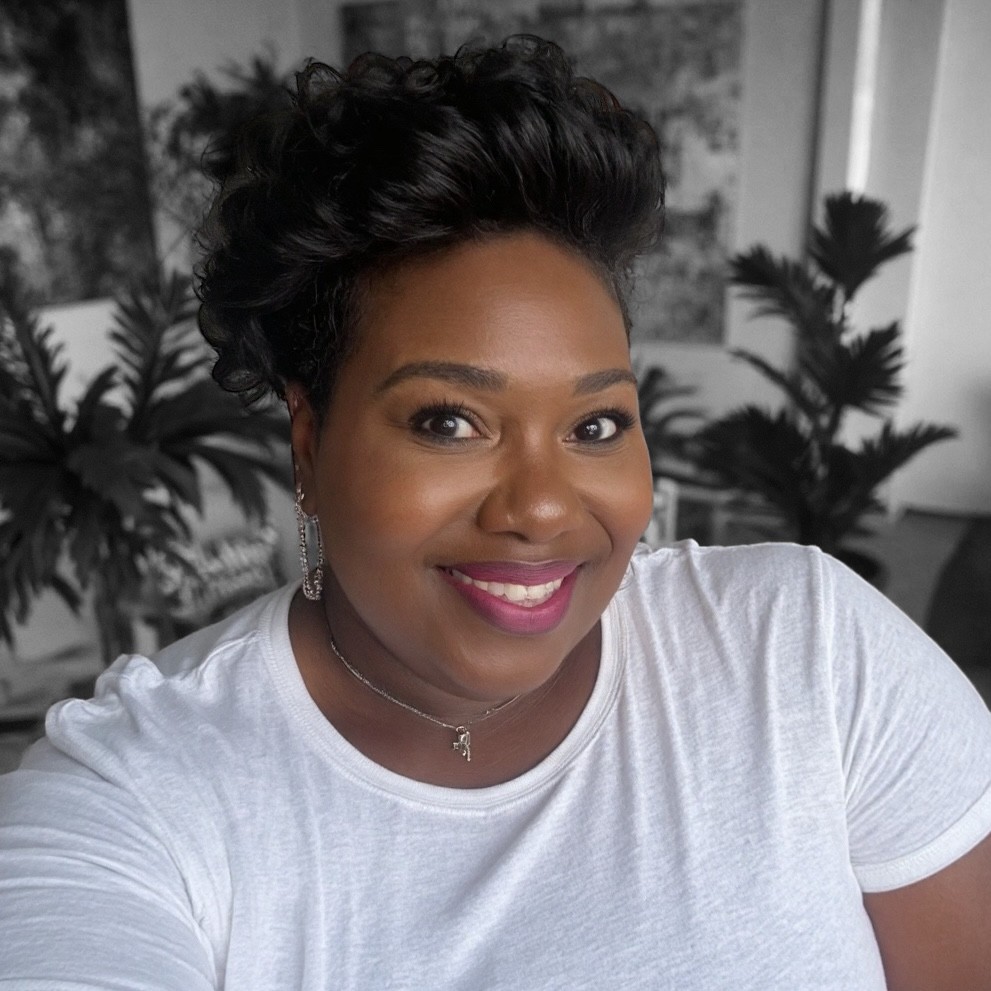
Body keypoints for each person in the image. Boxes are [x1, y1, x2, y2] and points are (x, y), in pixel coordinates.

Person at [1, 35, 990, 990]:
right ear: (308, 440)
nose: (543, 506)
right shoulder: (138, 798)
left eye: (595, 424)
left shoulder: (806, 653)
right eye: (448, 420)